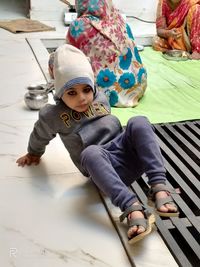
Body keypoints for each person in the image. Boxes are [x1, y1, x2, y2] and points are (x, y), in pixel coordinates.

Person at [17, 44, 179, 244]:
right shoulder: (53, 115)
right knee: (91, 152)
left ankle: (158, 186)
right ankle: (132, 208)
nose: (82, 98)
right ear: (59, 93)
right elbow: (40, 134)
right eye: (71, 93)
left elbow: (117, 129)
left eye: (86, 89)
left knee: (139, 121)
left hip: (131, 156)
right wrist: (34, 152)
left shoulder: (100, 97)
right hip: (104, 170)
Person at [53, 0, 147, 108]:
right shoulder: (120, 20)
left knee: (58, 62)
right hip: (137, 84)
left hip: (107, 92)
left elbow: (69, 57)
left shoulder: (79, 26)